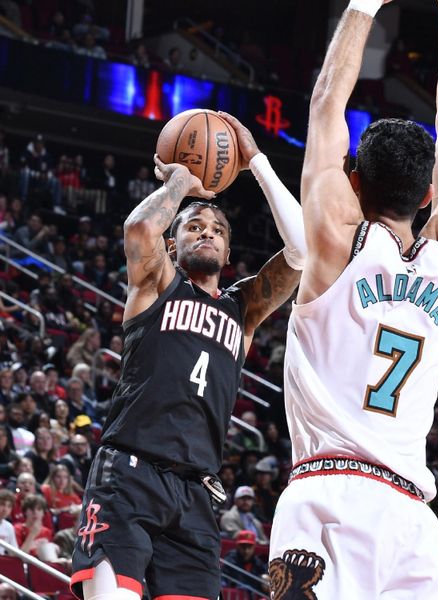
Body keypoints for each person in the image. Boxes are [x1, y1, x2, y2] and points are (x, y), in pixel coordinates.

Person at [268, 0, 438, 597]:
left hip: (325, 495)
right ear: (430, 193)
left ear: (353, 181)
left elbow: (326, 103)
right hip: (411, 521)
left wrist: (362, 6)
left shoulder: (335, 240)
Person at [70, 112, 306, 599]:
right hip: (128, 477)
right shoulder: (158, 283)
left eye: (217, 230)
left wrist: (256, 161)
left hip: (196, 495)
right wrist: (180, 181)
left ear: (228, 251)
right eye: (194, 227)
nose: (207, 233)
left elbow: (302, 251)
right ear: (173, 244)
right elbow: (139, 231)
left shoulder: (244, 309)